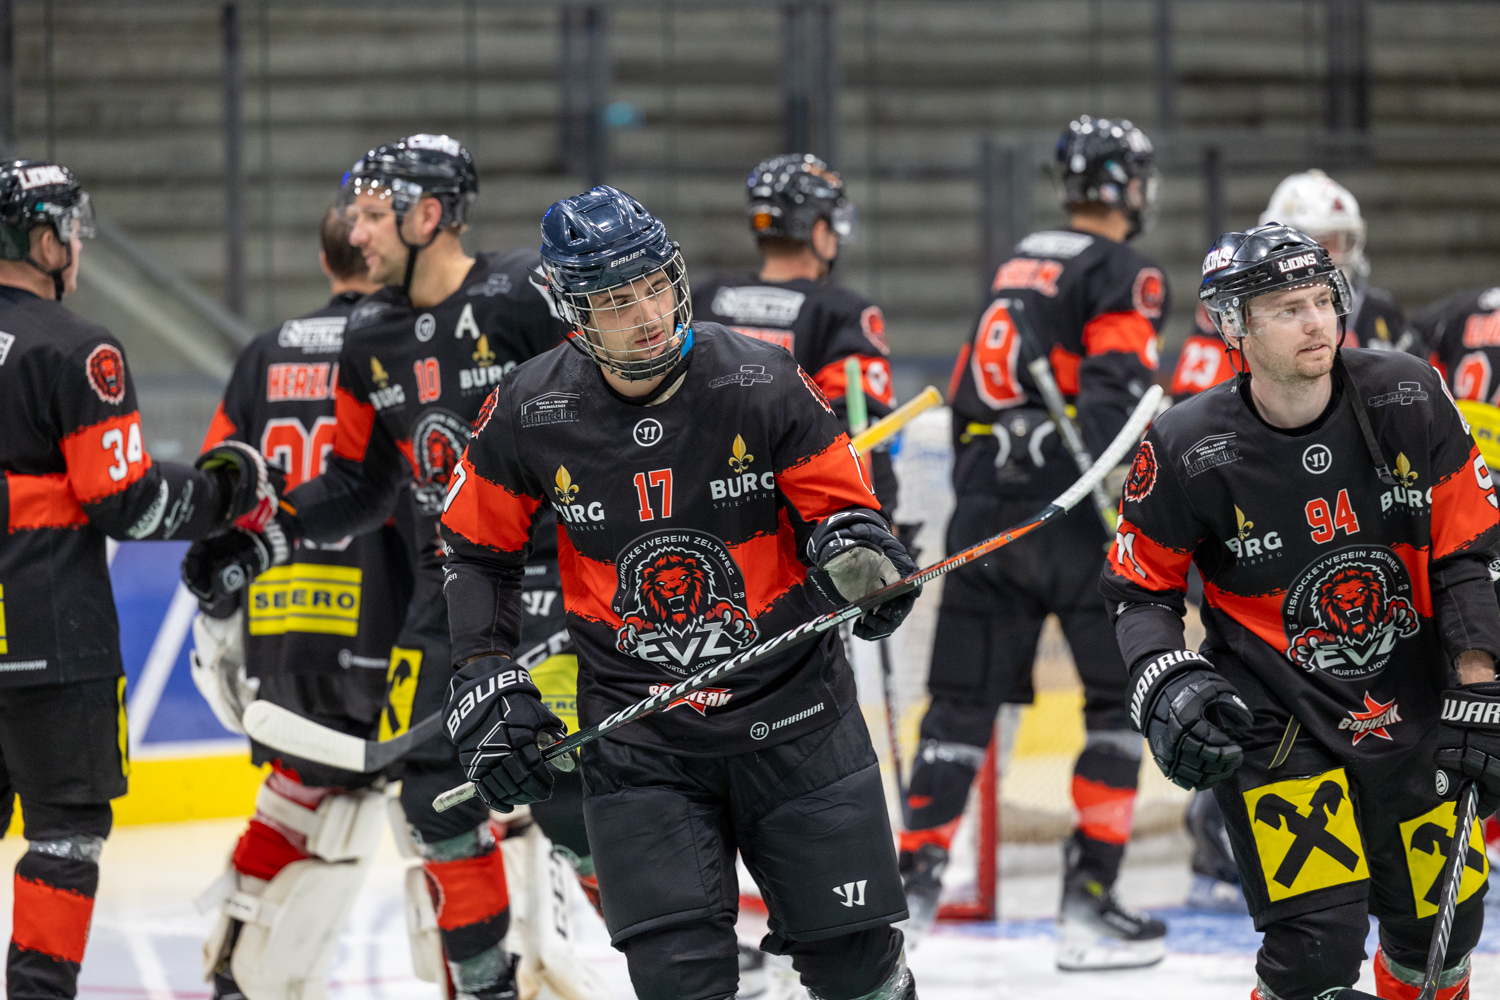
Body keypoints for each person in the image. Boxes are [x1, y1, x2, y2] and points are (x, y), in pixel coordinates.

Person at [439, 184, 921, 1000]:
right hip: (642, 745)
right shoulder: (527, 408)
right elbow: (473, 552)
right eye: (616, 301)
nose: (648, 316)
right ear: (573, 313)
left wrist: (859, 557)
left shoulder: (764, 379)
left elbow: (846, 513)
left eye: (654, 286)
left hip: (798, 723)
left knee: (858, 976)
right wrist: (485, 673)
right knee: (678, 986)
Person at [181, 134, 568, 1000]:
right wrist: (261, 537)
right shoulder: (369, 334)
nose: (355, 233)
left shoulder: (523, 295)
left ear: (429, 216)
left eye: (370, 215)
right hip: (449, 592)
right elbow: (360, 484)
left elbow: (617, 420)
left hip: (557, 580)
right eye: (353, 217)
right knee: (434, 797)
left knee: (574, 798)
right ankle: (487, 987)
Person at [1103, 223, 1500, 1000]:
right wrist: (1164, 678)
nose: (1317, 321)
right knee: (1315, 952)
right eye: (1289, 309)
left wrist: (1481, 683)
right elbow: (1138, 588)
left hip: (1412, 702)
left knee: (1442, 936)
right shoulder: (1184, 445)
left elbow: (1469, 550)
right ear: (1234, 326)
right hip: (1277, 719)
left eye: (1323, 299)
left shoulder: (1409, 395)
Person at [0, 160, 277, 1000]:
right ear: (45, 240)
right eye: (69, 231)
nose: (77, 246)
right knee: (65, 836)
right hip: (52, 640)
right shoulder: (76, 349)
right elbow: (126, 501)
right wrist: (229, 491)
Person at [898, 116, 1168, 969]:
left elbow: (966, 395)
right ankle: (1088, 906)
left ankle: (906, 902)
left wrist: (988, 488)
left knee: (958, 706)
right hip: (1076, 511)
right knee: (1116, 702)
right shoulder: (1123, 270)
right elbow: (1118, 403)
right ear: (1128, 186)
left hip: (988, 507)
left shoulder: (1018, 260)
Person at [190, 204, 417, 1000]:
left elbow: (219, 488)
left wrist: (221, 621)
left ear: (325, 263)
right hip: (387, 618)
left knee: (302, 801)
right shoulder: (406, 342)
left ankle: (237, 973)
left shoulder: (263, 353)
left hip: (283, 621)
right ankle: (498, 974)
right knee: (456, 814)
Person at [692, 153, 898, 514]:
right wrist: (883, 510)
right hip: (798, 513)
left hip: (704, 503)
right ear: (818, 230)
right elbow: (861, 428)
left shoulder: (704, 299)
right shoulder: (841, 312)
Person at [1170, 169, 1416, 399]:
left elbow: (1410, 395)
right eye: (1321, 241)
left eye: (1345, 241)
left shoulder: (1382, 312)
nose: (1335, 255)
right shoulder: (1237, 306)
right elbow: (1196, 398)